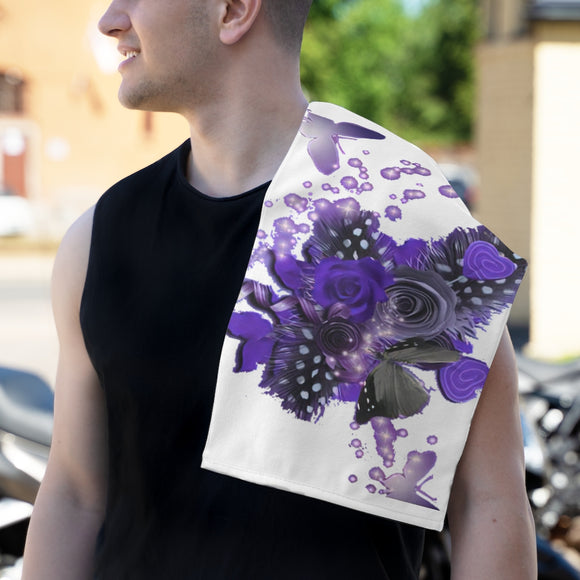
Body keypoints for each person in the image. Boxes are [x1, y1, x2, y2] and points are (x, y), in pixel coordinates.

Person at [22, 0, 536, 578]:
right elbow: (73, 494)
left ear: (235, 10)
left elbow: (486, 501)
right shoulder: (98, 241)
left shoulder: (408, 223)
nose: (111, 20)